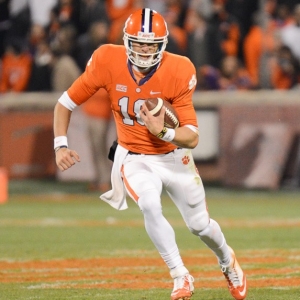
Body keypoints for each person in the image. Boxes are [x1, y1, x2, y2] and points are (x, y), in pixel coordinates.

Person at [53, 8, 247, 300]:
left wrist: (164, 132)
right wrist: (60, 144)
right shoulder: (107, 60)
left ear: (163, 45)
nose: (144, 50)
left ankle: (227, 260)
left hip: (174, 156)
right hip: (134, 157)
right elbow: (65, 103)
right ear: (126, 41)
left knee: (200, 226)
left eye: (151, 44)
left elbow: (192, 137)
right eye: (139, 42)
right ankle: (180, 275)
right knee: (149, 204)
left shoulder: (179, 69)